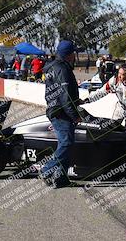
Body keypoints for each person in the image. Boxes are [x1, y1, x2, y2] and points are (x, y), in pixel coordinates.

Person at [40, 40, 81, 188]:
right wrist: (74, 114)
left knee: (65, 145)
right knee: (66, 143)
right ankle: (46, 169)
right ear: (69, 55)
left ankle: (60, 178)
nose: (75, 56)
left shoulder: (52, 66)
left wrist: (77, 101)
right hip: (61, 113)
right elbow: (64, 97)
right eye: (73, 53)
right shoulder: (62, 69)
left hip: (57, 110)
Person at [87, 64, 126, 130]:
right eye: (119, 73)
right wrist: (88, 99)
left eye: (122, 74)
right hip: (120, 108)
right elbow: (102, 92)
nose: (119, 76)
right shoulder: (115, 80)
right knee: (112, 128)